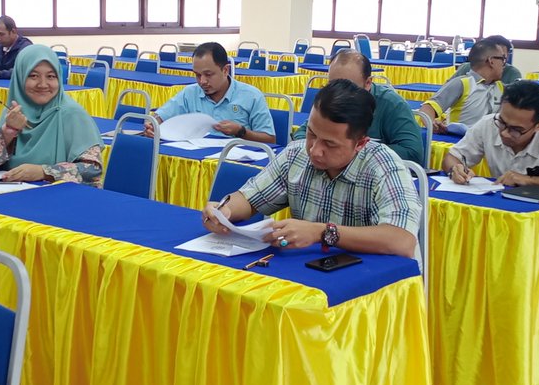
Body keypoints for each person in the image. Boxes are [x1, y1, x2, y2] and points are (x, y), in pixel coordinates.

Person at [203, 79, 419, 258]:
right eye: (312, 134)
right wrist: (224, 211)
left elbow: (402, 240)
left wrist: (322, 232)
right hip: (309, 271)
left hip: (372, 283)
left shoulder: (385, 166)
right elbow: (250, 198)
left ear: (360, 143)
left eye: (330, 144)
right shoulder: (296, 154)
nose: (315, 150)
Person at [0, 44, 103, 184]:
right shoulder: (15, 112)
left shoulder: (72, 114)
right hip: (13, 192)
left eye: (51, 76)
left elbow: (92, 169)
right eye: (33, 76)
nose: (42, 84)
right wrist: (8, 132)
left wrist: (44, 172)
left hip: (60, 194)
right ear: (20, 78)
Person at [442, 80, 539, 195]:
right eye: (502, 122)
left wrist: (529, 180)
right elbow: (452, 157)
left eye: (516, 130)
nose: (504, 133)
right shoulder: (488, 124)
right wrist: (454, 169)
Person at [292, 50, 423, 164]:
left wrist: (350, 151)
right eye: (333, 85)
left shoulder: (392, 104)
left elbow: (412, 152)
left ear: (368, 83)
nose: (339, 93)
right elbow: (302, 133)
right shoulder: (330, 99)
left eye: (349, 87)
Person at [147, 41, 276, 143]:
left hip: (233, 161)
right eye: (197, 75)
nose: (202, 81)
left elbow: (270, 140)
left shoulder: (251, 96)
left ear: (225, 70)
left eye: (208, 74)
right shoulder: (189, 93)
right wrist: (153, 124)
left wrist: (241, 131)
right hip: (196, 161)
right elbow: (160, 116)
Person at [421, 38, 506, 136]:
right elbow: (427, 108)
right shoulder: (462, 84)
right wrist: (432, 124)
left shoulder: (501, 87)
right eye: (502, 59)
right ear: (491, 61)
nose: (505, 64)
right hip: (460, 141)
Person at [452, 35, 522, 84]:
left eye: (503, 58)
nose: (501, 62)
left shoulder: (512, 74)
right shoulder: (466, 68)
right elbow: (448, 91)